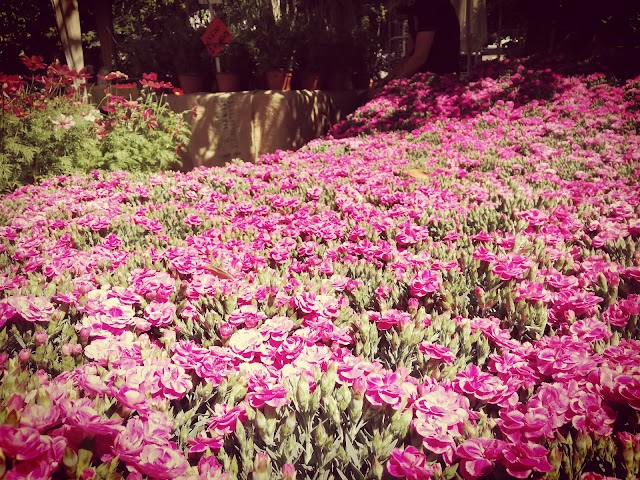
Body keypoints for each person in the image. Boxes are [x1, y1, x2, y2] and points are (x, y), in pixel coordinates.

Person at [369, 0, 460, 97]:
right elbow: (409, 56)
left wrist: (388, 88)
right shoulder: (415, 9)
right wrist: (385, 81)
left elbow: (419, 58)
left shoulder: (430, 5)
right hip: (424, 83)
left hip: (439, 86)